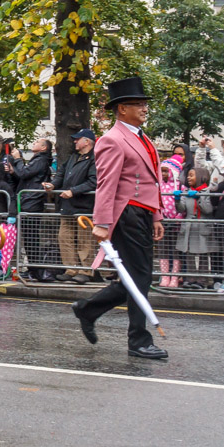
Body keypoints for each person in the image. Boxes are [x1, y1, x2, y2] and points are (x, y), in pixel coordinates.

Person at [71, 77, 168, 360]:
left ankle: (88, 308)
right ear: (122, 109)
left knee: (138, 276)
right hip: (126, 212)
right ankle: (138, 340)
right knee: (140, 276)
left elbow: (153, 182)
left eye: (144, 104)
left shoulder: (141, 137)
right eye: (138, 104)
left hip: (142, 212)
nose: (144, 109)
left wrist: (156, 215)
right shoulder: (112, 139)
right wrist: (101, 223)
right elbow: (107, 184)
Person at [44, 129, 97, 284]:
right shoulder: (73, 157)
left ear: (87, 141)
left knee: (84, 240)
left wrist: (73, 191)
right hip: (68, 206)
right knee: (64, 237)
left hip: (84, 207)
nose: (74, 141)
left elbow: (93, 181)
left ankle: (85, 270)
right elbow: (60, 174)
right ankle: (70, 269)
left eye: (78, 139)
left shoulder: (94, 159)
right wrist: (52, 185)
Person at [7, 138, 54, 280]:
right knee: (28, 238)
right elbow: (24, 177)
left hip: (32, 201)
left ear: (44, 147)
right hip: (28, 200)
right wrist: (13, 171)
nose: (33, 143)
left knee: (31, 237)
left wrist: (18, 159)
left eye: (36, 143)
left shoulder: (40, 160)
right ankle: (32, 269)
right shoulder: (37, 159)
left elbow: (24, 173)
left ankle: (36, 270)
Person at [174, 166, 213, 290]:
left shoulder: (207, 191)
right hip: (189, 227)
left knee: (202, 254)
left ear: (201, 176)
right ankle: (190, 279)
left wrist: (199, 197)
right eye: (188, 175)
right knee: (189, 253)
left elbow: (208, 210)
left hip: (202, 226)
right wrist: (177, 200)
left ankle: (202, 280)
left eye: (192, 175)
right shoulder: (187, 191)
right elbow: (182, 209)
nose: (189, 178)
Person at [158, 156, 185, 288]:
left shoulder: (180, 185)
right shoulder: (159, 186)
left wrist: (179, 218)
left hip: (176, 223)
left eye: (166, 171)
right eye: (161, 171)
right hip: (162, 222)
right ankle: (164, 276)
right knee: (163, 250)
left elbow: (183, 204)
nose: (163, 174)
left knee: (175, 251)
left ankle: (174, 277)